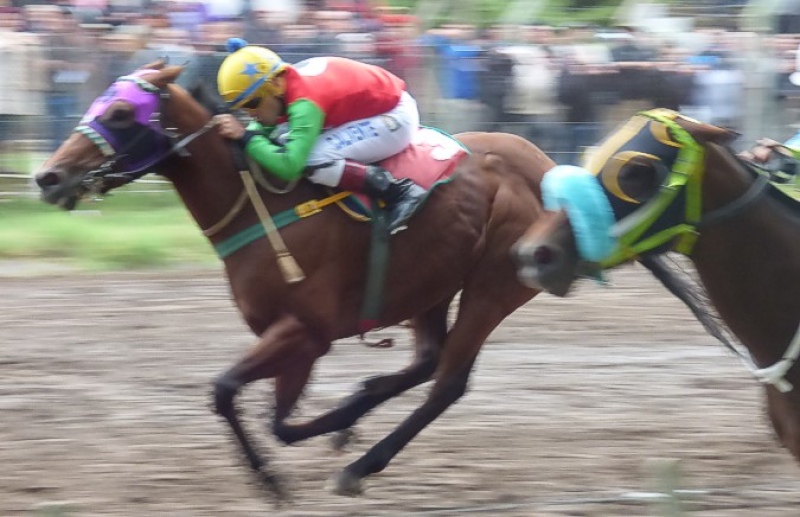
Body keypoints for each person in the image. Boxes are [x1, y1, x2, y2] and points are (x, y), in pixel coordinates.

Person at [212, 38, 427, 235]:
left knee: (313, 159)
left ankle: (399, 192)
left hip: (395, 116)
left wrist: (246, 137)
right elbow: (263, 129)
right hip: (374, 107)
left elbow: (290, 166)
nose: (249, 114)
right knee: (282, 139)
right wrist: (249, 135)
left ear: (276, 84)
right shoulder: (283, 85)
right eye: (241, 108)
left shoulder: (304, 103)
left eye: (252, 103)